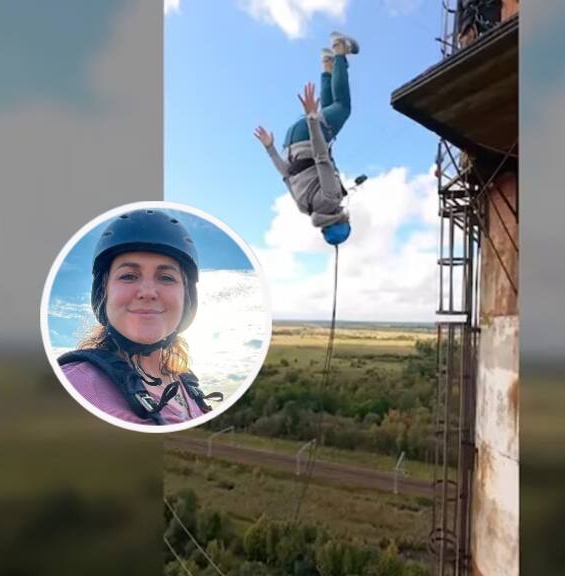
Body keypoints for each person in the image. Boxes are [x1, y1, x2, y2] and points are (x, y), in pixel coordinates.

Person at [58, 209, 219, 426]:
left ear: (187, 296)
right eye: (128, 276)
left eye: (166, 277)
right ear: (103, 292)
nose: (148, 292)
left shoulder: (186, 384)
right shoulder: (74, 384)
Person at [254, 31, 359, 246]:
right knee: (330, 110)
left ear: (341, 221)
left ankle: (339, 49)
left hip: (307, 136)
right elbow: (286, 174)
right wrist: (270, 148)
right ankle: (327, 64)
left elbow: (321, 158)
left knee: (342, 107)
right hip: (288, 143)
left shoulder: (331, 200)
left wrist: (312, 117)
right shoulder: (306, 208)